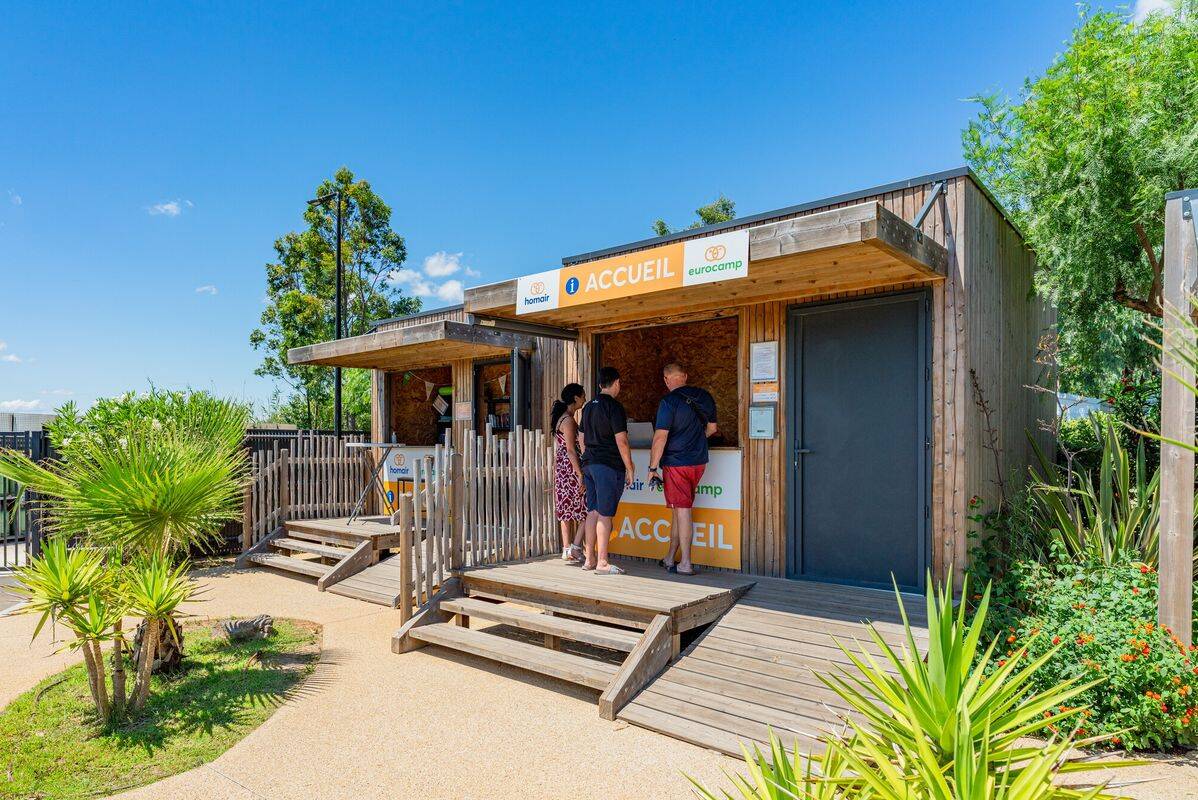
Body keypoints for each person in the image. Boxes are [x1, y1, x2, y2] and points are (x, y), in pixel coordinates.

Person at [648, 362, 717, 576]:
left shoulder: (668, 402)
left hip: (677, 463)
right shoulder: (705, 396)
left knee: (683, 510)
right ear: (685, 376)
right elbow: (712, 429)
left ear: (667, 380)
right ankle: (670, 557)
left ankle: (686, 563)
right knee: (680, 509)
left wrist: (652, 468)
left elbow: (660, 437)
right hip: (699, 461)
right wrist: (695, 440)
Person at [579, 366, 634, 575]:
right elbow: (622, 440)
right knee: (605, 513)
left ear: (600, 384)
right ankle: (602, 562)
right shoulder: (615, 407)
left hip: (590, 464)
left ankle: (589, 559)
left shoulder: (587, 408)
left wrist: (588, 456)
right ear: (617, 383)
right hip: (608, 465)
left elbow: (581, 437)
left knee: (592, 511)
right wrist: (629, 467)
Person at [550, 383, 588, 563]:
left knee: (565, 509)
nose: (585, 399)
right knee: (586, 508)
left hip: (562, 469)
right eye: (583, 396)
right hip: (571, 468)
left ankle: (566, 549)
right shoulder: (569, 421)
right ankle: (576, 546)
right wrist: (580, 474)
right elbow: (572, 450)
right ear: (575, 398)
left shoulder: (561, 418)